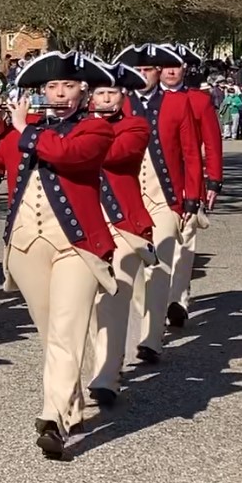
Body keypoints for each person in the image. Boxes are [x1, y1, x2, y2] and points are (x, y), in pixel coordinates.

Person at [0, 52, 116, 459]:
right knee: (51, 331)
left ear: (84, 92)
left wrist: (20, 130)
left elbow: (69, 155)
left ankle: (52, 418)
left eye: (69, 87)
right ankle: (71, 405)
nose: (60, 93)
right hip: (26, 243)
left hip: (77, 245)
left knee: (67, 330)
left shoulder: (95, 129)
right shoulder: (24, 130)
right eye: (52, 87)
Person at [112, 44, 202, 364]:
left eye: (150, 70)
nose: (145, 76)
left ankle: (151, 339)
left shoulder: (178, 104)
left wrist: (193, 197)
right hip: (129, 197)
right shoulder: (120, 104)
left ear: (159, 71)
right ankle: (149, 311)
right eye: (139, 71)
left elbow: (191, 152)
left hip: (166, 198)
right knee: (132, 267)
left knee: (161, 263)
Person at [84, 62, 152, 409]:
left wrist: (76, 137)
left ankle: (107, 375)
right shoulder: (77, 126)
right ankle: (104, 366)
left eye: (112, 92)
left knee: (115, 296)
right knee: (92, 304)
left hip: (123, 224)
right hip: (84, 224)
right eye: (100, 93)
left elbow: (116, 155)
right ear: (90, 95)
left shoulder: (136, 125)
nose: (106, 98)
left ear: (123, 95)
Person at [160, 45, 222, 327]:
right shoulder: (145, 102)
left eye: (177, 65)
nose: (171, 70)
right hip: (152, 181)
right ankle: (156, 296)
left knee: (184, 242)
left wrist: (214, 180)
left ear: (185, 68)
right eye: (166, 65)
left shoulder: (198, 100)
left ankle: (177, 298)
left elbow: (212, 141)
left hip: (188, 179)